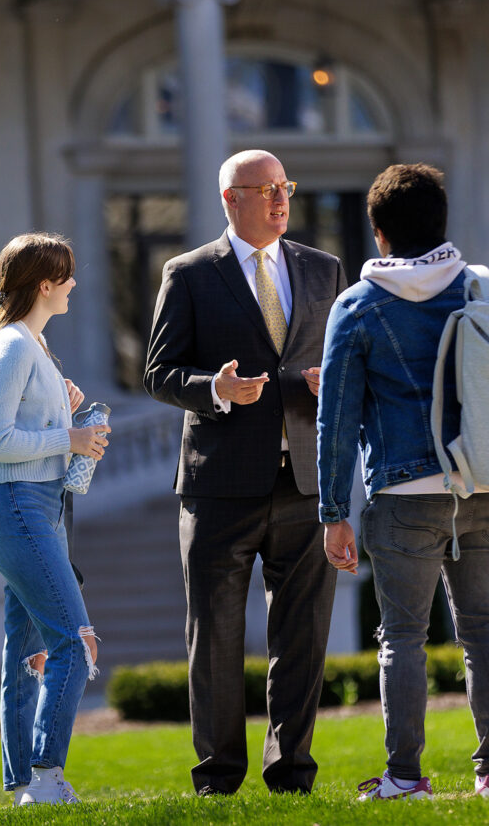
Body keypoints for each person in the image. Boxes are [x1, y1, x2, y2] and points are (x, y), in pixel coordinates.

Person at [144, 149, 347, 795]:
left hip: (305, 483)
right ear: (231, 199)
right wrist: (218, 388)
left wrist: (330, 383)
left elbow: (347, 363)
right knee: (216, 639)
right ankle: (219, 778)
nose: (280, 200)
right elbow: (160, 372)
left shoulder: (324, 269)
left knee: (303, 638)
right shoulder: (190, 273)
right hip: (219, 487)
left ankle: (292, 774)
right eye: (264, 190)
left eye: (284, 186)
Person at [318, 163, 489, 801]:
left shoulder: (357, 306)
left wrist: (331, 511)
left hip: (403, 497)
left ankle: (405, 777)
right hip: (483, 482)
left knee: (402, 636)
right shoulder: (486, 287)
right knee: (484, 627)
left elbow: (337, 419)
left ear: (378, 233)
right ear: (442, 223)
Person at [0, 232, 111, 806]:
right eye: (67, 275)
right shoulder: (14, 346)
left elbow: (19, 427)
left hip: (33, 509)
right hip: (18, 508)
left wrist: (66, 412)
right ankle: (48, 780)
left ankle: (28, 783)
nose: (75, 283)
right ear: (44, 284)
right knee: (74, 644)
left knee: (26, 655)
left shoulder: (31, 347)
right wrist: (69, 436)